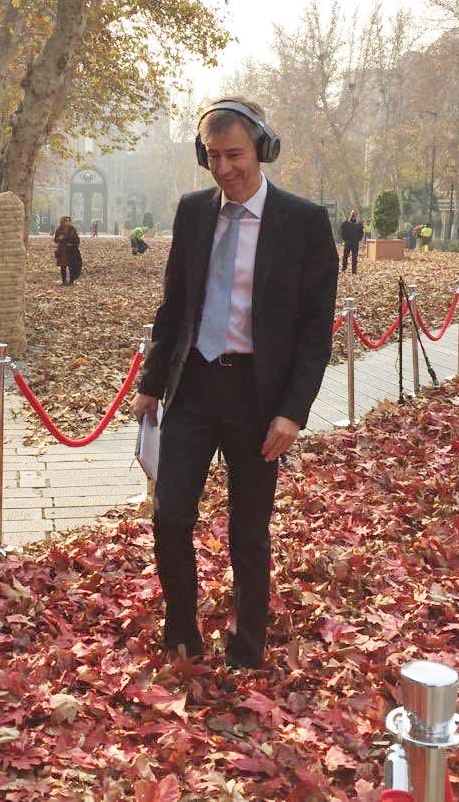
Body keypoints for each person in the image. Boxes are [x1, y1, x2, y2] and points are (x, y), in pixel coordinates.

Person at [131, 98, 337, 670]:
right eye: (213, 156)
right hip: (193, 387)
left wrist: (293, 412)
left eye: (235, 155)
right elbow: (174, 305)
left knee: (248, 529)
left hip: (258, 397)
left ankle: (248, 645)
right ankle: (182, 631)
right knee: (170, 516)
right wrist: (151, 382)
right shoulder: (194, 212)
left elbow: (315, 333)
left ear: (262, 150)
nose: (224, 168)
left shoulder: (304, 223)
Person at [53, 216, 82, 285]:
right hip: (62, 250)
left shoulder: (72, 229)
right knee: (63, 266)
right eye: (66, 221)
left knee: (71, 266)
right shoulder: (59, 229)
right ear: (63, 222)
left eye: (69, 221)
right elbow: (56, 240)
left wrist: (69, 240)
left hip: (71, 250)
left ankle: (71, 281)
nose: (68, 222)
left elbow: (77, 240)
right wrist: (60, 238)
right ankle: (64, 281)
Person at [340, 210, 364, 275]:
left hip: (355, 243)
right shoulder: (345, 223)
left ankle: (354, 271)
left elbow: (361, 233)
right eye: (352, 214)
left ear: (357, 215)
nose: (353, 215)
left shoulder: (359, 224)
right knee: (345, 256)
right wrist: (345, 240)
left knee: (354, 257)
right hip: (348, 242)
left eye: (355, 214)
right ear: (350, 214)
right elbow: (342, 232)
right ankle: (344, 269)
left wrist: (358, 240)